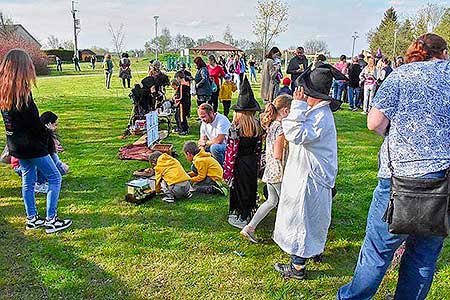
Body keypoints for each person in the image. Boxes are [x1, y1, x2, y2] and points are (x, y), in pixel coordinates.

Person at [337, 33, 450, 300]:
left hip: (399, 179)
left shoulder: (400, 75)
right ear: (443, 53)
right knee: (423, 256)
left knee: (377, 252)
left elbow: (374, 123)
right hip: (442, 179)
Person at [272, 63, 342, 280]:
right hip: (308, 174)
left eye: (304, 93)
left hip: (310, 178)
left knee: (302, 219)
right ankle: (311, 251)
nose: (300, 96)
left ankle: (298, 266)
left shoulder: (320, 115)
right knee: (309, 217)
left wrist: (298, 107)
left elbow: (294, 133)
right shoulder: (318, 113)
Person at [0, 49, 72, 233]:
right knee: (55, 177)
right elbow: (35, 125)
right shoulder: (23, 94)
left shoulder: (5, 93)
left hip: (16, 146)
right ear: (22, 68)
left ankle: (32, 219)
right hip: (31, 146)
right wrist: (51, 139)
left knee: (28, 181)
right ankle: (51, 220)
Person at [240, 94, 292, 243]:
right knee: (286, 204)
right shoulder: (281, 128)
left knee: (271, 201)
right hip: (278, 171)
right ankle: (281, 234)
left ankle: (249, 228)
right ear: (285, 111)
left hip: (269, 169)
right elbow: (277, 154)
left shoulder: (271, 125)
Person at [225, 77, 262, 229]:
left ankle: (240, 215)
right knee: (250, 187)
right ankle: (248, 212)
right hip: (251, 161)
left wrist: (228, 170)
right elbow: (259, 147)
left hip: (239, 163)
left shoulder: (235, 128)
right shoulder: (257, 126)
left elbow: (231, 151)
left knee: (239, 188)